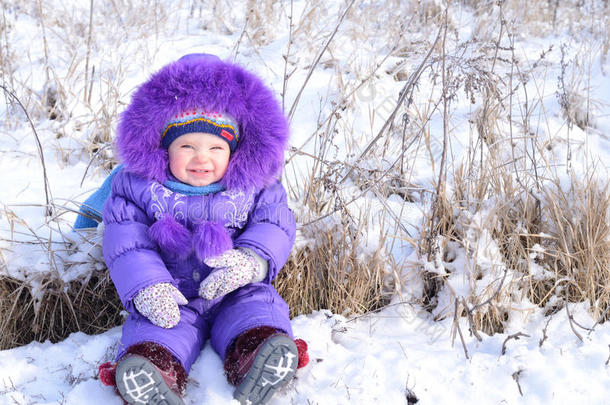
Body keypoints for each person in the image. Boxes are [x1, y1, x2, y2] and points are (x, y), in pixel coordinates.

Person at [95, 53, 308, 405]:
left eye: (215, 147)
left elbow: (275, 223)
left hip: (234, 287)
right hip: (171, 292)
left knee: (256, 310)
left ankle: (258, 353)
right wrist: (148, 286)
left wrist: (252, 260)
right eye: (187, 146)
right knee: (156, 329)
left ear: (234, 150)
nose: (202, 158)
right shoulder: (138, 188)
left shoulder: (257, 186)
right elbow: (126, 241)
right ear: (164, 149)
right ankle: (153, 369)